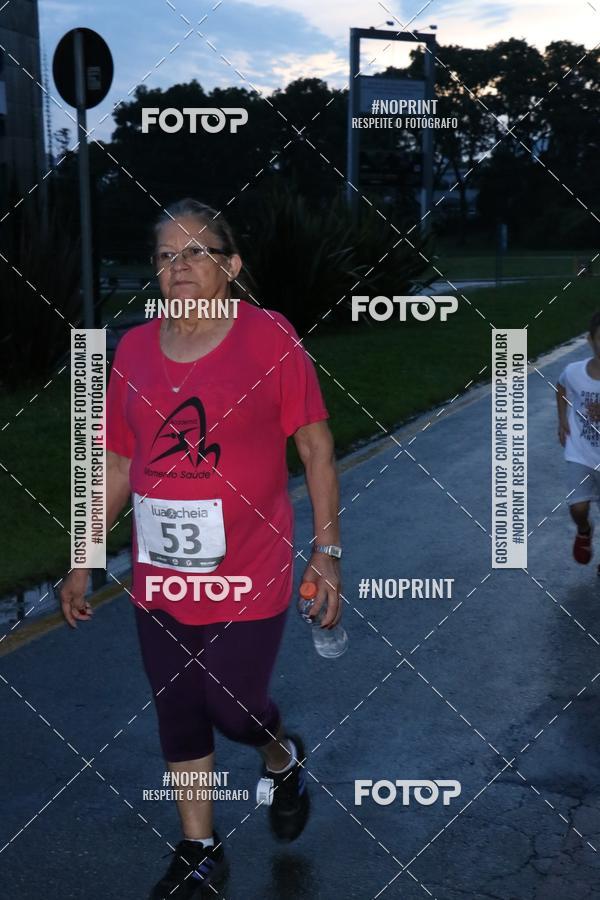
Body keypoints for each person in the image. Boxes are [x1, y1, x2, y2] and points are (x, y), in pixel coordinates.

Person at [59, 198, 343, 899]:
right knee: (179, 707)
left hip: (249, 565)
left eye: (195, 252)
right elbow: (119, 466)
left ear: (231, 264)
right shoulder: (133, 349)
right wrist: (82, 556)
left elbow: (314, 445)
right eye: (164, 255)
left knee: (231, 704)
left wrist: (327, 550)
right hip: (160, 570)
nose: (177, 265)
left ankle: (281, 755)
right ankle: (197, 845)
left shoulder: (269, 338)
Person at [556, 310, 600, 564]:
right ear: (590, 340)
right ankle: (584, 530)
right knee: (578, 507)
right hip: (580, 451)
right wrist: (562, 419)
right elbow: (561, 388)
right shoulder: (574, 371)